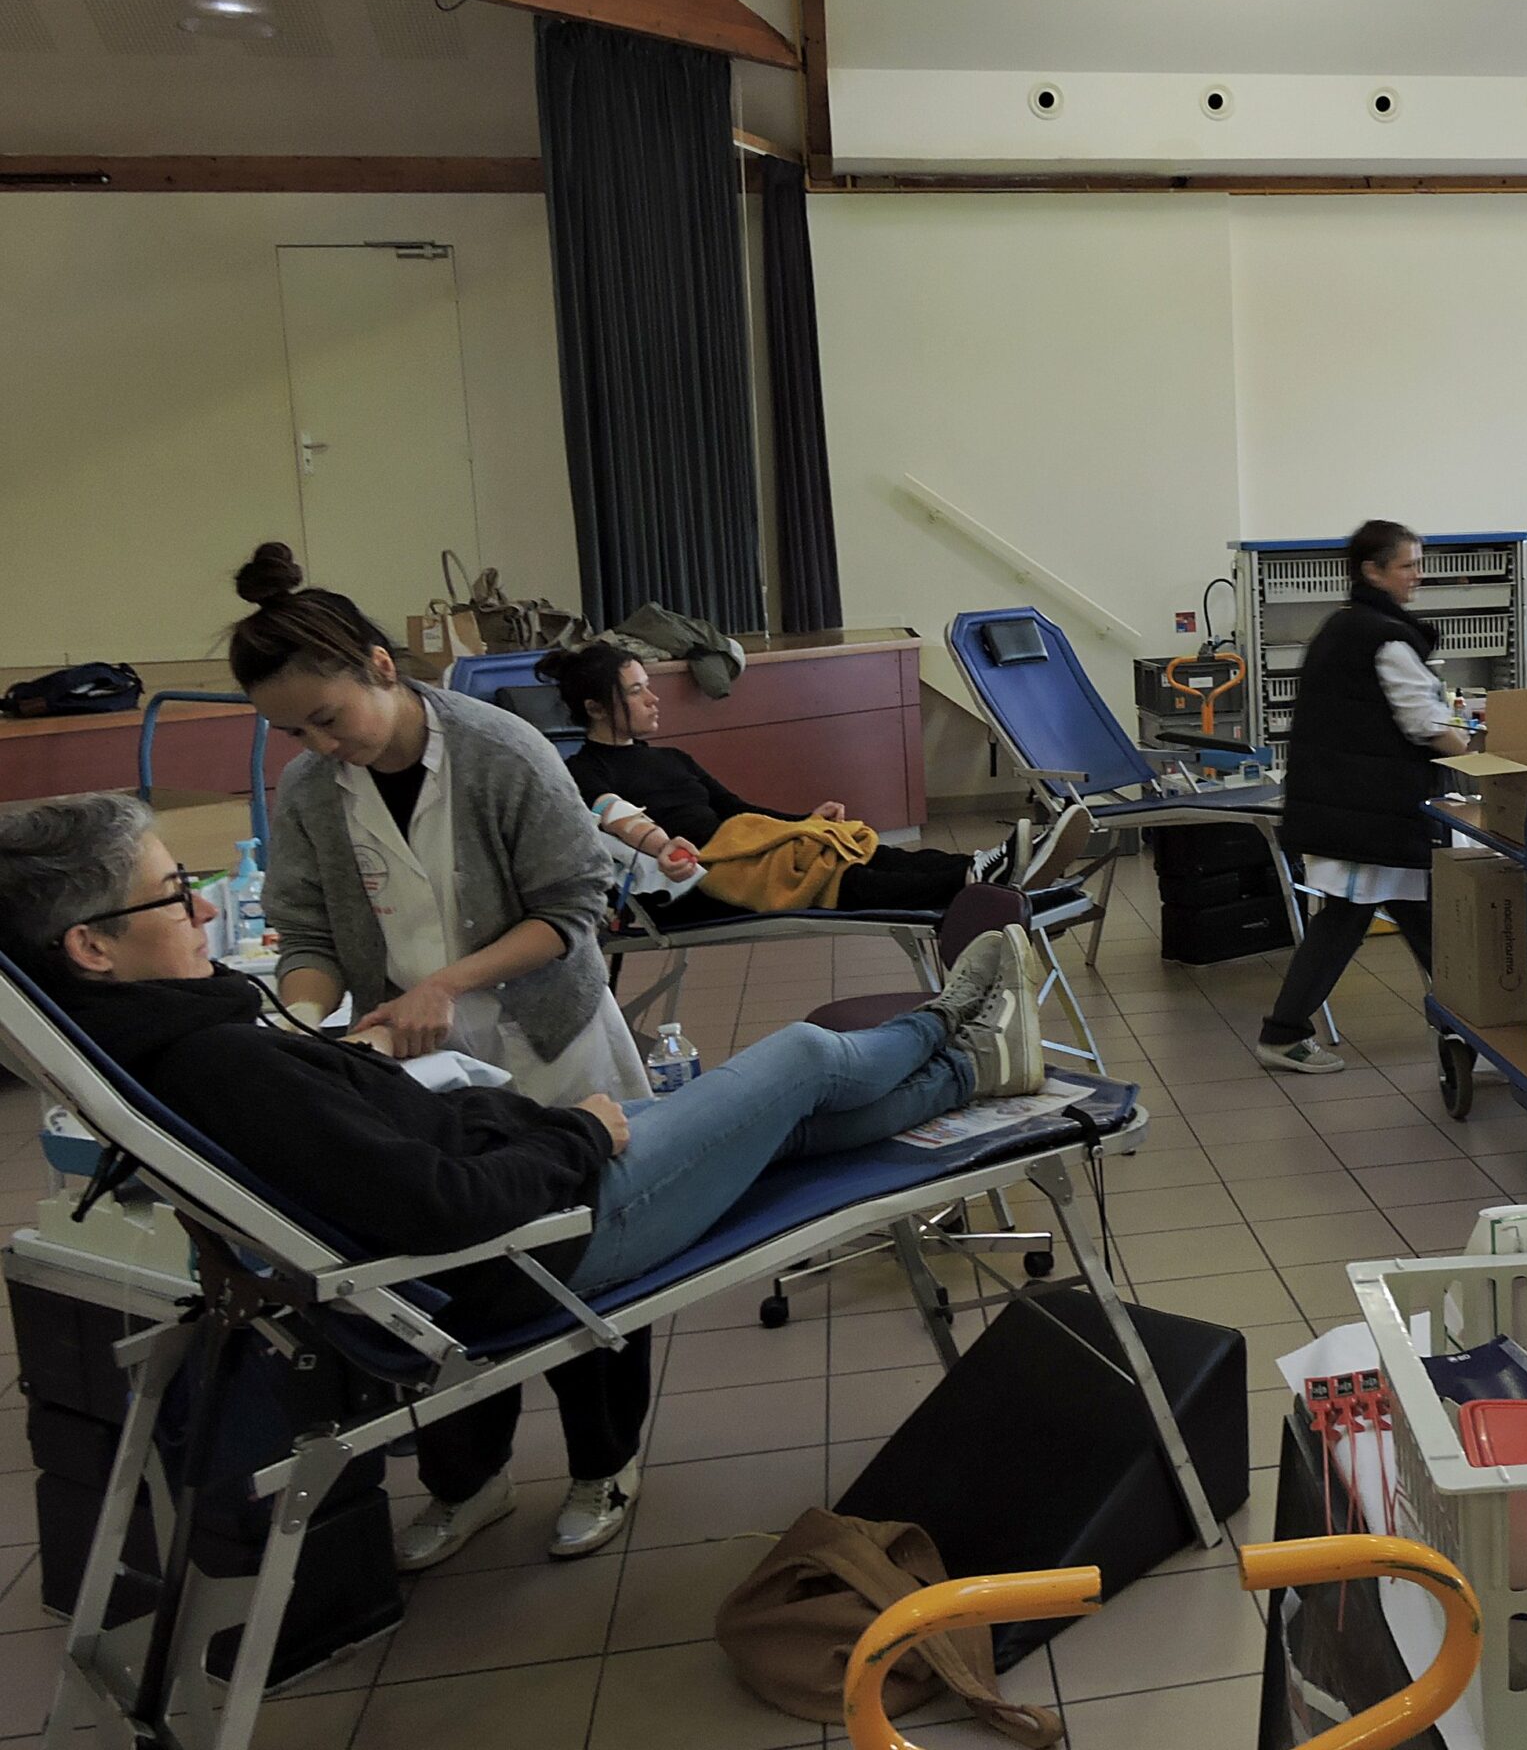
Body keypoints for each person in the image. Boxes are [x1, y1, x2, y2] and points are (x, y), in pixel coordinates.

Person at [0, 794, 1047, 1574]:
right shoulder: (219, 1063)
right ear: (91, 945)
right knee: (804, 1061)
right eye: (173, 895)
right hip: (553, 1236)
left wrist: (406, 1085)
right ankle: (952, 1024)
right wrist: (582, 1135)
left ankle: (970, 1065)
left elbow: (381, 1162)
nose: (198, 908)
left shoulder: (157, 1047)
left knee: (788, 1130)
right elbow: (445, 1207)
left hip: (528, 1198)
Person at [226, 544, 649, 1565]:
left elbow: (572, 910)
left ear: (382, 667)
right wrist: (305, 1022)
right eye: (292, 731)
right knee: (447, 1278)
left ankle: (602, 1466)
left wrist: (444, 986)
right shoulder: (313, 789)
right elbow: (309, 934)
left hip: (548, 1041)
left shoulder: (501, 753)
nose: (317, 744)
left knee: (585, 1267)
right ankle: (469, 1483)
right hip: (418, 1067)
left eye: (328, 718)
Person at [537, 644, 1090, 915]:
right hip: (704, 874)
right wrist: (667, 852)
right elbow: (614, 832)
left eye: (647, 686)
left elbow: (738, 809)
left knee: (855, 847)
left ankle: (990, 868)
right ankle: (984, 880)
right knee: (845, 877)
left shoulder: (672, 758)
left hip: (746, 844)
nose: (653, 698)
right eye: (636, 691)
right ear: (595, 707)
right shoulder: (584, 773)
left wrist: (804, 820)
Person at [1257, 521, 1472, 1075]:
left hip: (1356, 804)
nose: (1417, 576)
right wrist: (1475, 749)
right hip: (1366, 812)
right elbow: (1426, 724)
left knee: (1418, 914)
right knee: (1349, 919)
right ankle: (1283, 1033)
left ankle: (1471, 1021)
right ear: (1372, 572)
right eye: (1407, 566)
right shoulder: (1384, 638)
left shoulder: (1346, 625)